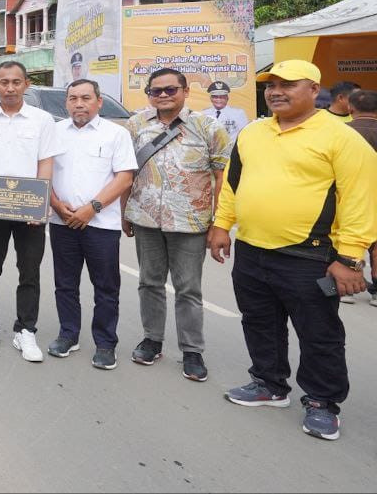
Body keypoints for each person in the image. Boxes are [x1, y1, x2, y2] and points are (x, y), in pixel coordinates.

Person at [210, 60, 377, 441]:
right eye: (271, 85)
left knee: (319, 332)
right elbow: (234, 184)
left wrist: (350, 258)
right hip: (252, 249)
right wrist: (221, 226)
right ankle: (269, 383)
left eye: (288, 84)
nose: (276, 91)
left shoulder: (341, 137)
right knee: (258, 320)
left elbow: (361, 199)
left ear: (314, 89)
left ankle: (322, 401)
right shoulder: (253, 133)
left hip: (311, 254)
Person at [122, 68, 231, 382]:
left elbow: (222, 177)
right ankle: (152, 339)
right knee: (149, 282)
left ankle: (192, 350)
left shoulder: (208, 127)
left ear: (185, 91)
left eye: (170, 90)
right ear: (149, 95)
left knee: (188, 289)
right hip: (145, 218)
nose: (164, 96)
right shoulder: (136, 125)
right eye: (156, 91)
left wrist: (220, 224)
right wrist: (124, 212)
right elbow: (126, 172)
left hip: (191, 222)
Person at [0, 61, 60, 363]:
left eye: (16, 82)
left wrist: (41, 203)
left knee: (30, 271)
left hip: (29, 211)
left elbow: (45, 163)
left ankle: (26, 330)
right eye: (4, 82)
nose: (10, 88)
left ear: (26, 85)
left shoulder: (43, 120)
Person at [47, 80, 137, 369]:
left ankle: (105, 343)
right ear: (66, 103)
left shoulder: (116, 134)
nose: (79, 103)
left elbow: (125, 178)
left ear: (99, 102)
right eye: (73, 98)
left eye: (86, 98)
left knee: (106, 286)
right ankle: (68, 334)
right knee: (65, 284)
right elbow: (43, 174)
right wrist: (56, 205)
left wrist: (92, 208)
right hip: (61, 222)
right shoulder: (54, 133)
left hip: (101, 225)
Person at [344, 89, 377, 305]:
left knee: (345, 240)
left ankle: (345, 288)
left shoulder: (341, 132)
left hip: (349, 197)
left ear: (350, 107)